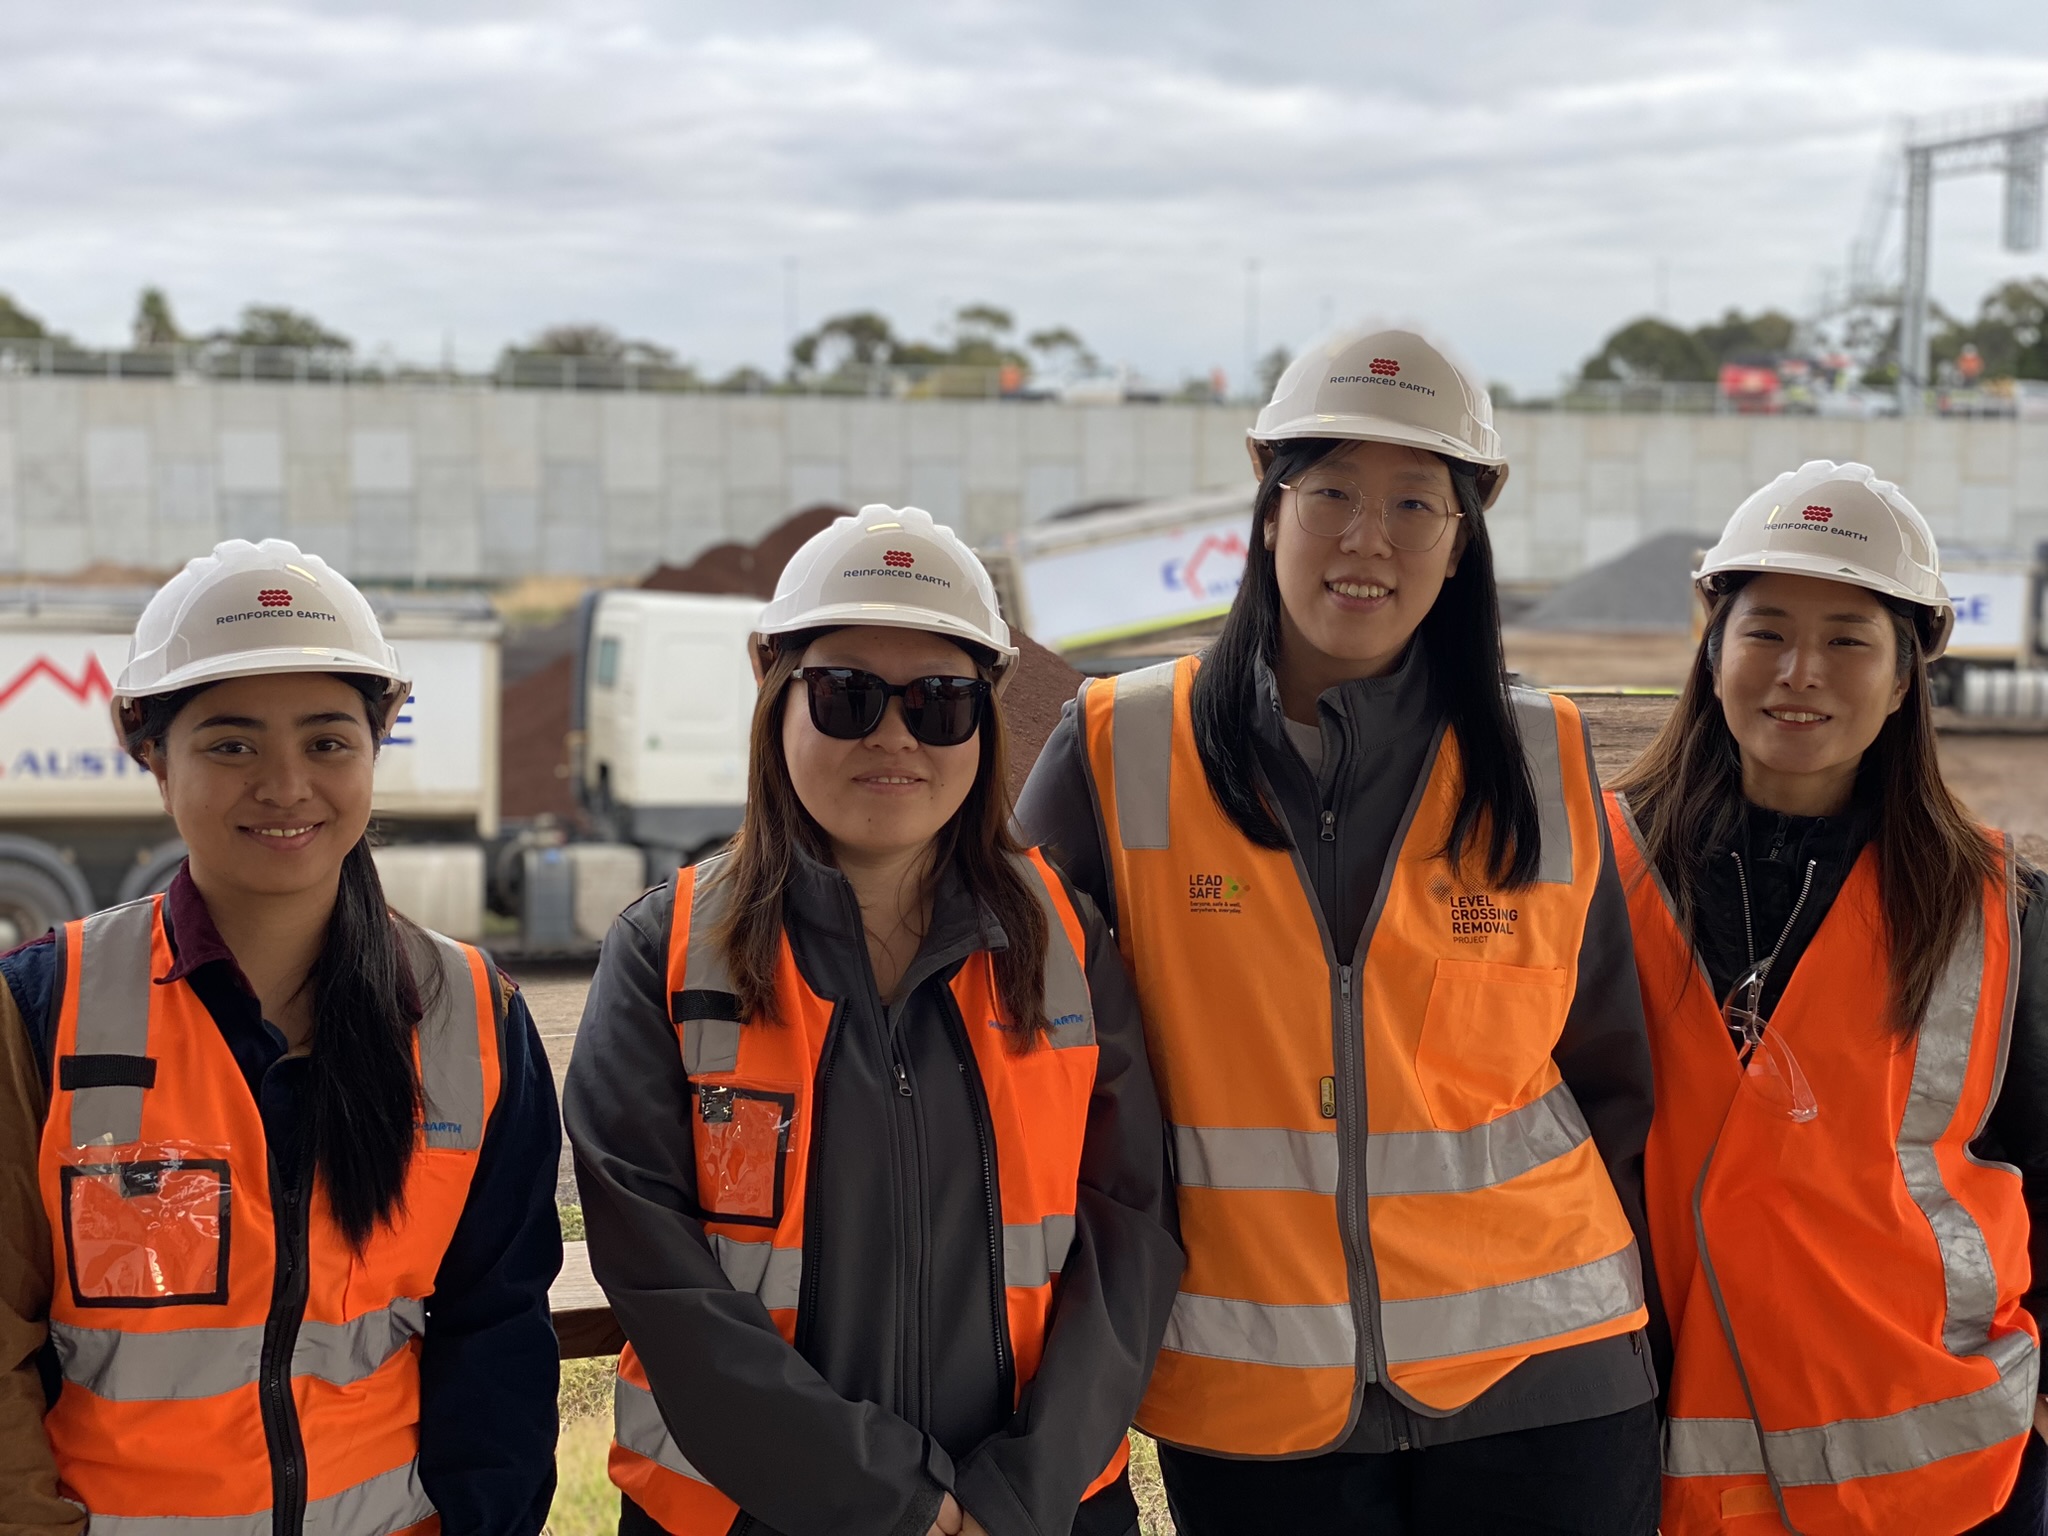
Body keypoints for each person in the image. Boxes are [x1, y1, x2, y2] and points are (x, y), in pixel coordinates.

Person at [1017, 326, 1663, 1534]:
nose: (1367, 541)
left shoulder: (1543, 760)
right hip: (1253, 1392)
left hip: (1546, 1374)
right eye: (1330, 496)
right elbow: (1028, 1067)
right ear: (1266, 507)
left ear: (1463, 535)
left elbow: (1614, 1079)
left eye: (1416, 503)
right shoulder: (1117, 751)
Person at [565, 505, 1181, 1536]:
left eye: (939, 703)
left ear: (981, 721)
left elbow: (1131, 1231)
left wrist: (1014, 1496)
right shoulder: (665, 954)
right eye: (847, 696)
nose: (894, 736)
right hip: (745, 1515)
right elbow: (657, 1279)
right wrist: (892, 1505)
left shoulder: (1066, 946)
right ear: (774, 692)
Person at [0, 539, 563, 1536]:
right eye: (229, 744)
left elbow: (494, 1337)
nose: (286, 784)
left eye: (327, 742)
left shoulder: (474, 1016)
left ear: (377, 744)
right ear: (150, 755)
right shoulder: (41, 1012)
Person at [1606, 461, 2048, 1536]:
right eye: (1764, 631)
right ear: (1711, 652)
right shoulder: (1597, 878)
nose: (1798, 671)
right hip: (1666, 1470)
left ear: (1905, 677)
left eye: (1847, 638)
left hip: (1935, 1472)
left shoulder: (1994, 906)